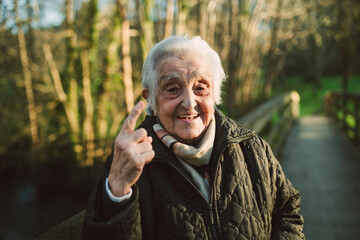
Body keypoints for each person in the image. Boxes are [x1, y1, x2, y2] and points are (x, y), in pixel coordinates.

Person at [82, 35, 305, 240]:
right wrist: (118, 189)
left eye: (200, 87)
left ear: (215, 94)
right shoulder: (129, 163)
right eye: (172, 89)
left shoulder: (251, 146)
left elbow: (288, 211)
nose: (189, 103)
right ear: (151, 99)